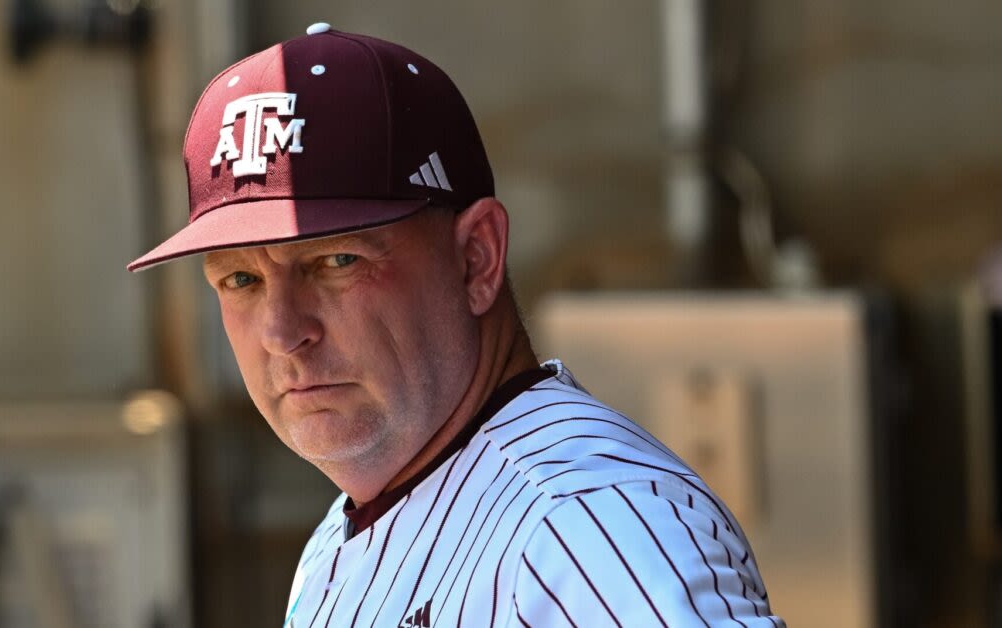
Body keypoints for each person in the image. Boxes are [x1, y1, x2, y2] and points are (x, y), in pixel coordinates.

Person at [129, 23, 782, 627]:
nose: (281, 330)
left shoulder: (584, 521)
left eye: (335, 260)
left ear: (477, 258)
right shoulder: (345, 536)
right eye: (241, 279)